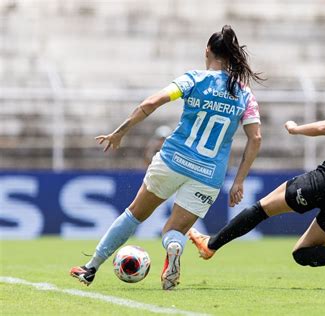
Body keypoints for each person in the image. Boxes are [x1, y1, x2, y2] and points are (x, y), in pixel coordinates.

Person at [70, 25, 263, 290]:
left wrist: (120, 132)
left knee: (134, 214)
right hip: (209, 174)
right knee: (173, 231)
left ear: (207, 50)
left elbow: (152, 102)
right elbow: (255, 138)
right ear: (232, 56)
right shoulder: (244, 93)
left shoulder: (194, 79)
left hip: (173, 160)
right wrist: (239, 181)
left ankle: (91, 267)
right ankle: (173, 247)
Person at [188, 51, 325, 272]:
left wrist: (295, 129)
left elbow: (324, 128)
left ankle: (211, 245)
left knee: (261, 209)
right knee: (301, 253)